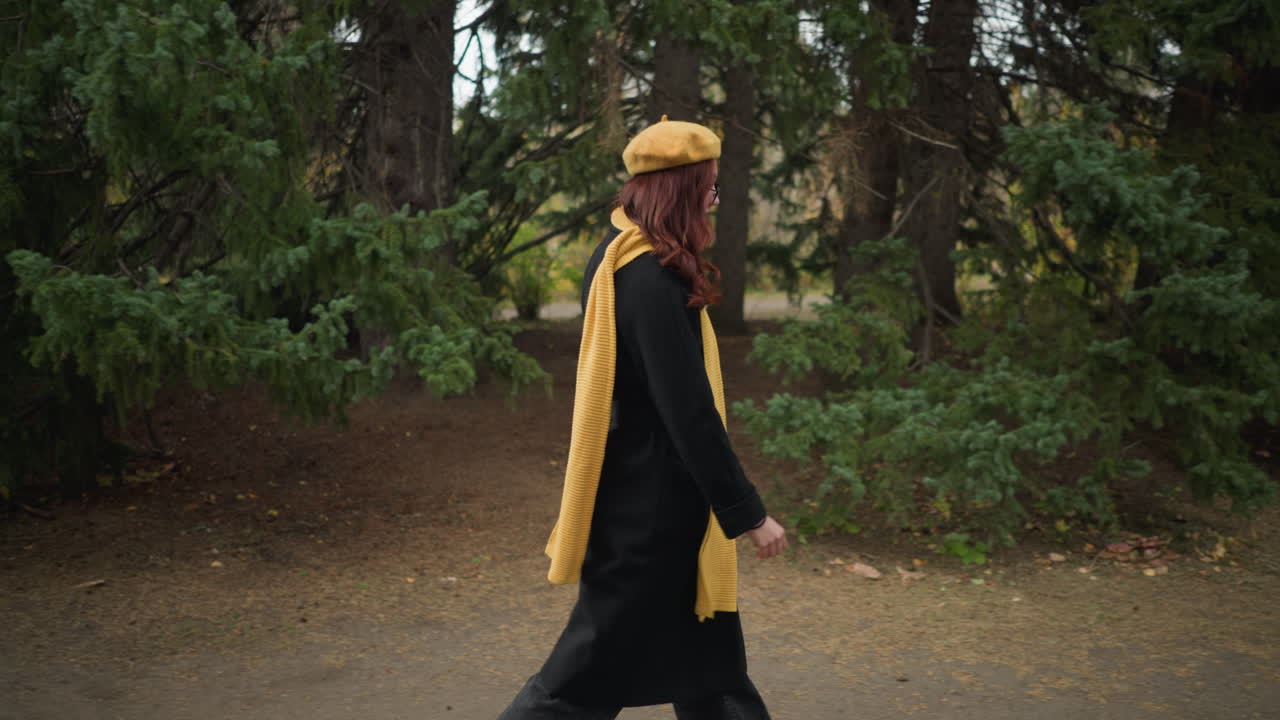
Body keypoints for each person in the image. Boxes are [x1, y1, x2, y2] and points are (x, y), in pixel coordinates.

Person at [498, 117, 787, 720]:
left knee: (712, 676)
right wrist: (748, 514)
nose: (714, 200)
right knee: (577, 684)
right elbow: (688, 412)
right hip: (649, 521)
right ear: (681, 190)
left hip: (654, 502)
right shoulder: (648, 277)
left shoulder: (620, 257)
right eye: (709, 186)